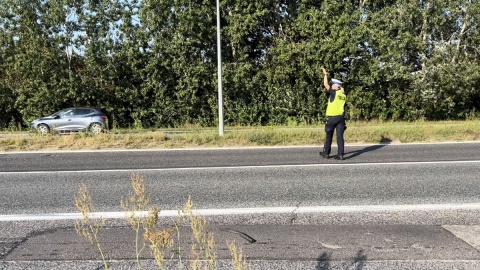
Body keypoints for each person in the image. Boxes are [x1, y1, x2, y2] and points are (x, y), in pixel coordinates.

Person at [319, 67, 346, 160]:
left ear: (334, 86)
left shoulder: (334, 93)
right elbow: (341, 89)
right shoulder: (343, 94)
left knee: (329, 135)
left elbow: (325, 84)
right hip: (341, 118)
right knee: (340, 137)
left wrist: (325, 74)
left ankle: (326, 153)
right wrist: (339, 87)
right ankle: (341, 155)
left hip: (333, 117)